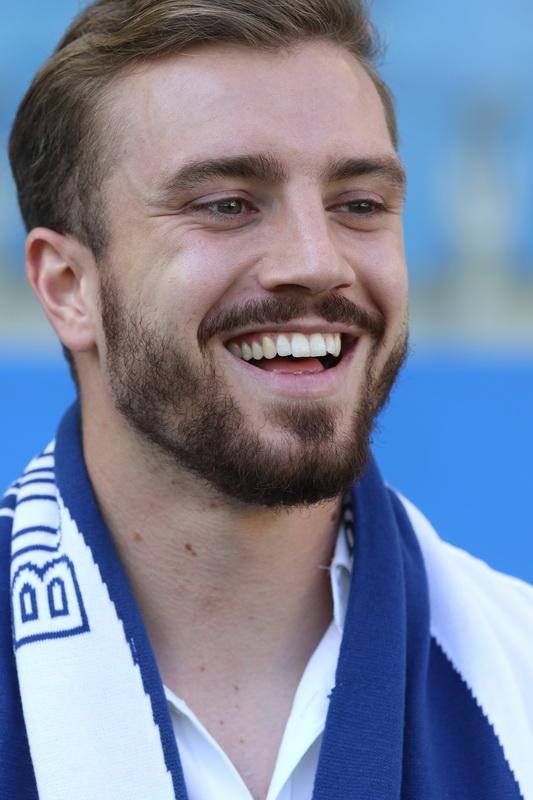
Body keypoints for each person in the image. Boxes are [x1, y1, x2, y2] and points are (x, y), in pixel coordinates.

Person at [2, 1, 532, 798]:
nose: (317, 263)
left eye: (358, 206)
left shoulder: (516, 674)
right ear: (68, 286)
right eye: (227, 205)